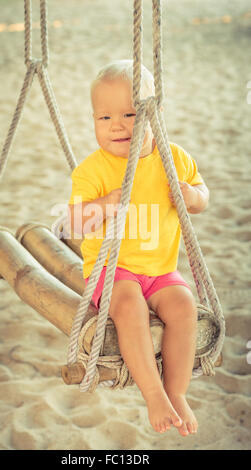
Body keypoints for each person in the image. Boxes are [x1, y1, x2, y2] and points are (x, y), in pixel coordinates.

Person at [67, 60, 209, 436]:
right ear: (94, 120)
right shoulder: (91, 171)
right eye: (104, 117)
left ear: (155, 113)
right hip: (113, 271)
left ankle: (176, 391)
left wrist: (191, 197)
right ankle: (153, 393)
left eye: (130, 113)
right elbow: (75, 223)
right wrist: (104, 205)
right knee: (128, 302)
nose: (117, 125)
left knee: (185, 305)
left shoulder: (173, 158)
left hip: (161, 270)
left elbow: (202, 194)